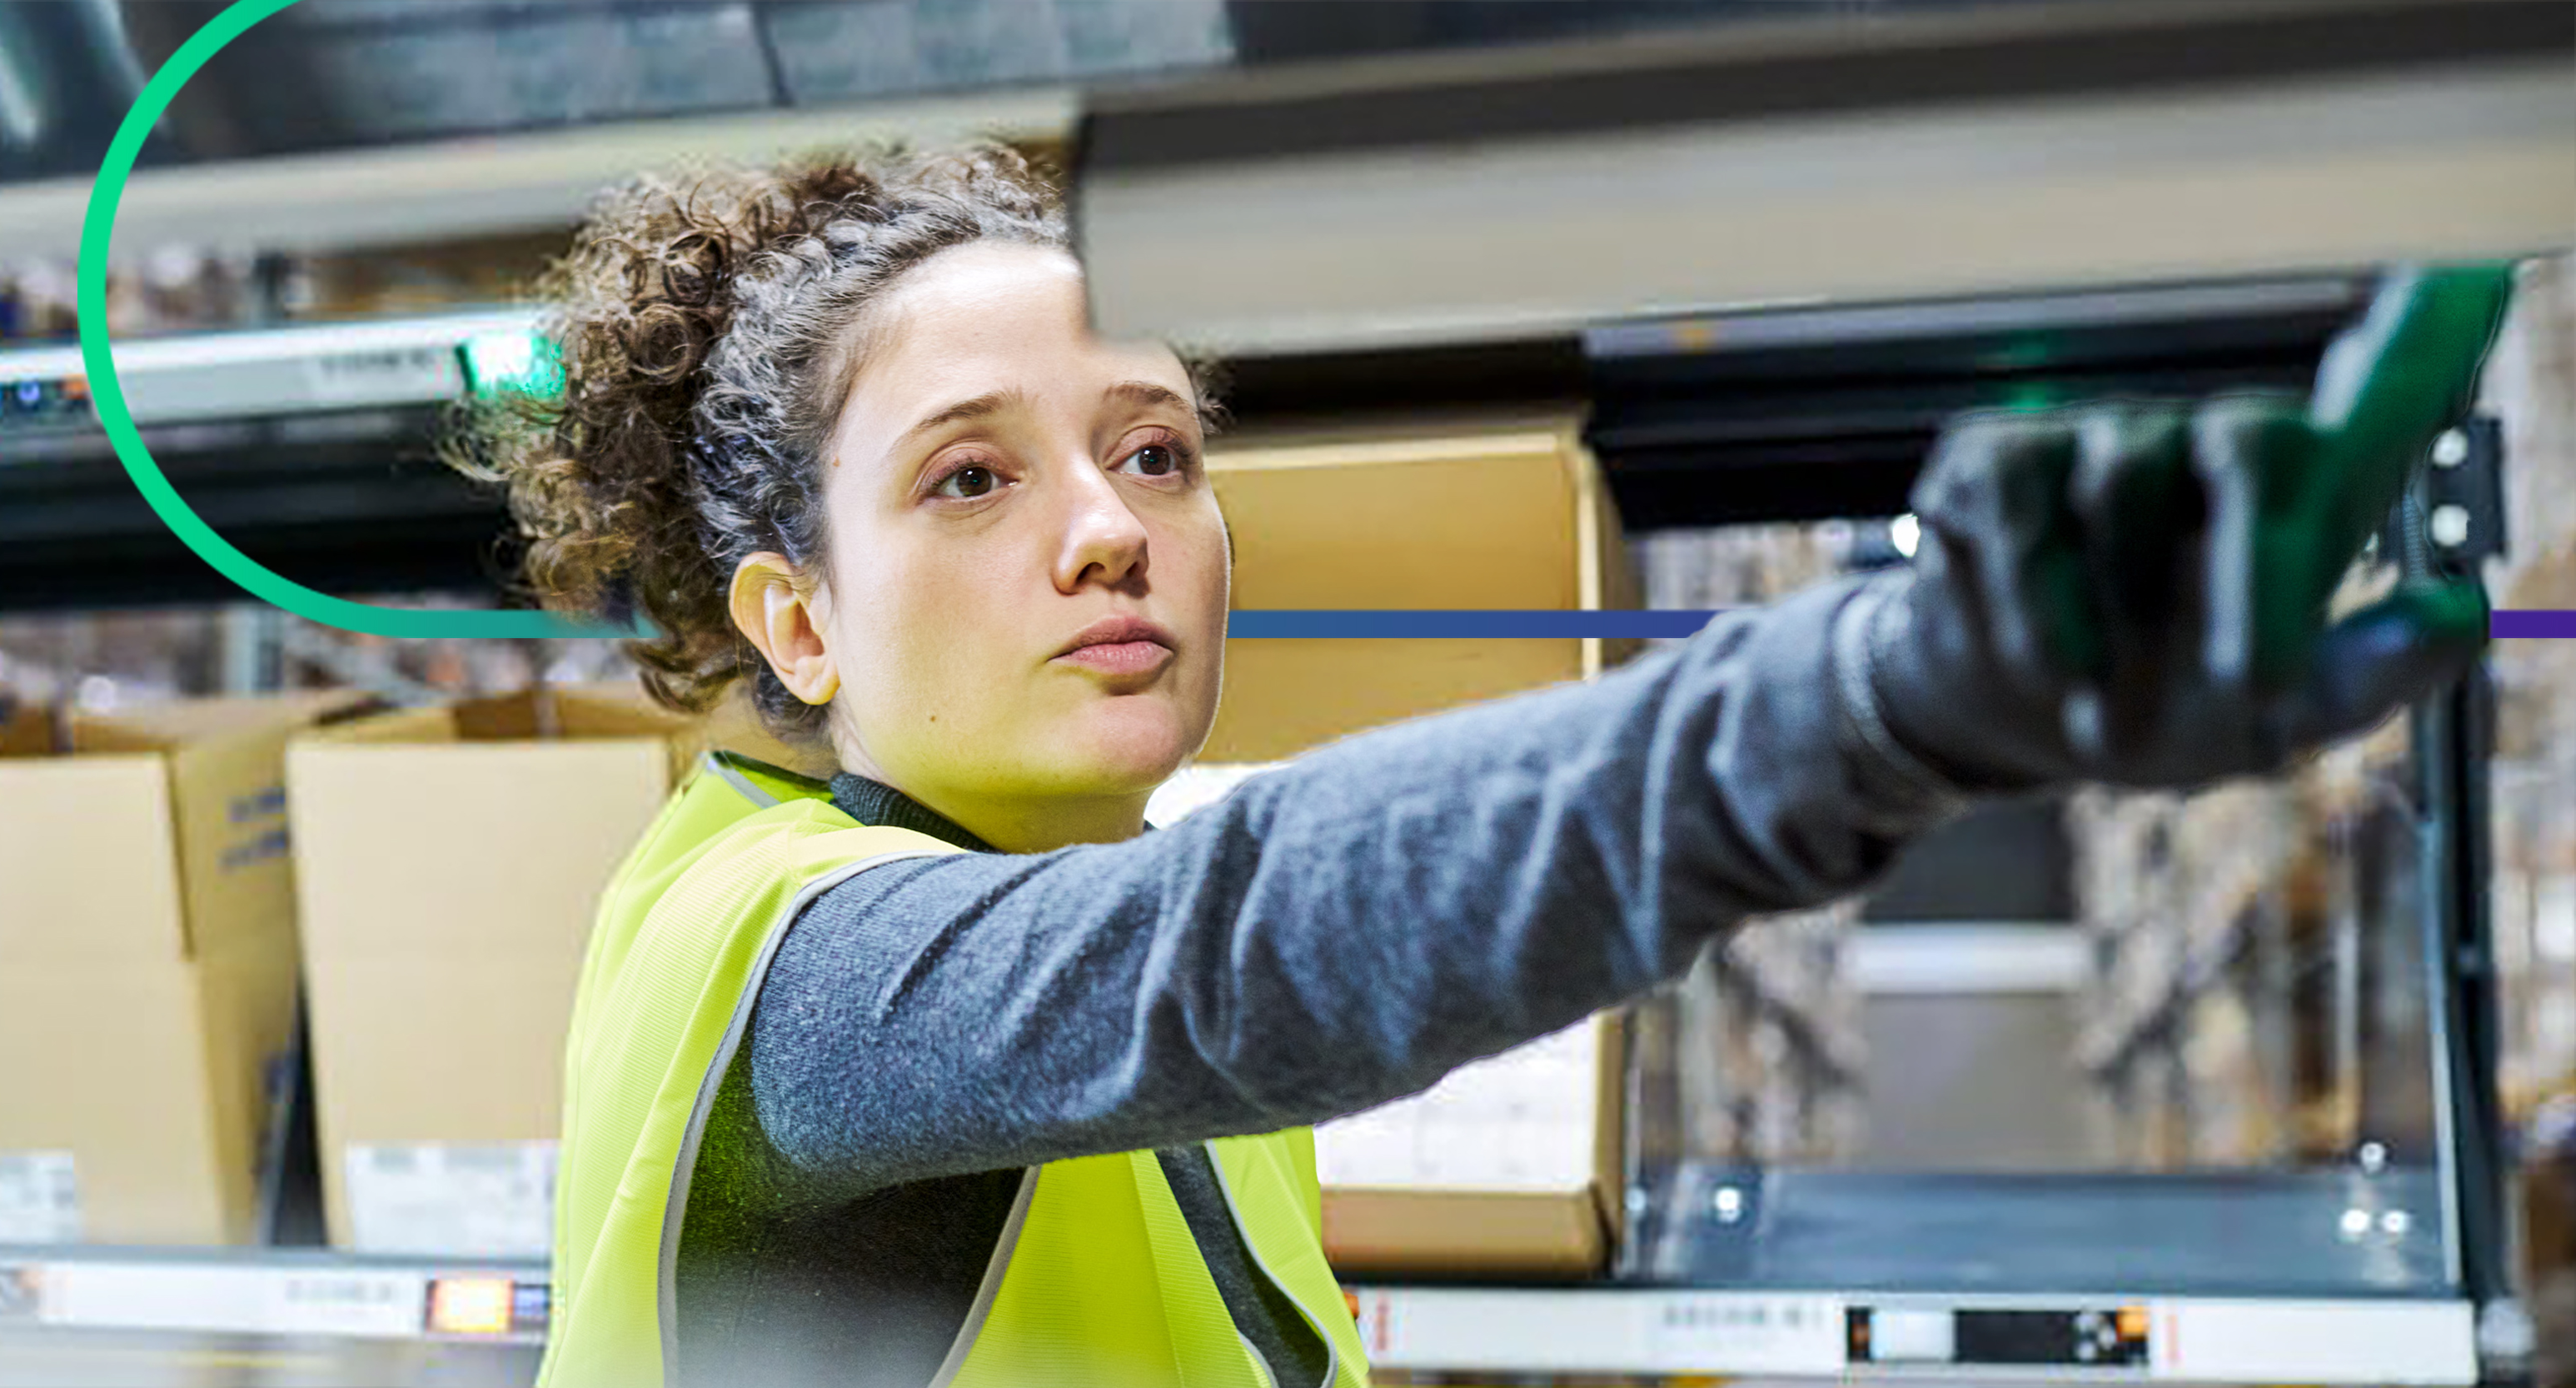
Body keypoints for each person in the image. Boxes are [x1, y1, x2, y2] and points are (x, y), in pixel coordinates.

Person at [463, 145, 2501, 1388]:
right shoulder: (818, 978)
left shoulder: (1044, 860)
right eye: (972, 476)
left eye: (1155, 450)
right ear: (796, 621)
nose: (1109, 528)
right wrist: (1894, 690)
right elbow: (1252, 943)